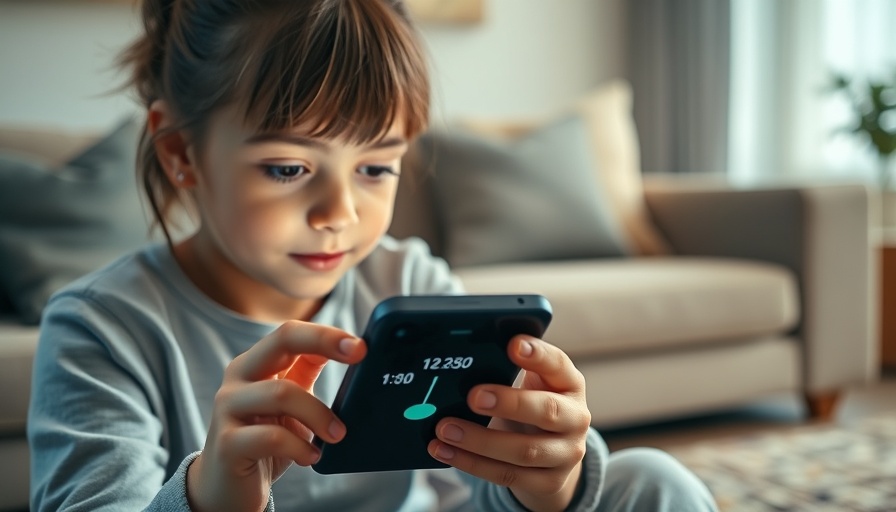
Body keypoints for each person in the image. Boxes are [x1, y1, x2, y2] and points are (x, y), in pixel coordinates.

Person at [27, 1, 719, 511]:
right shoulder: (101, 326)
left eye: (376, 169)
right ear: (181, 154)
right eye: (288, 169)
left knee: (650, 480)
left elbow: (474, 489)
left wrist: (549, 482)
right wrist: (209, 497)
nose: (341, 215)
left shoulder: (410, 281)